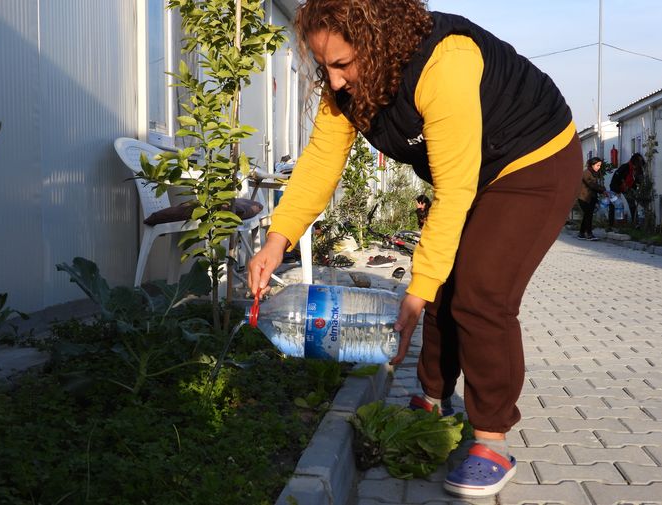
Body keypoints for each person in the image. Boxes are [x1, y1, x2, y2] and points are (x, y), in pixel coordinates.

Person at [247, 0, 582, 497]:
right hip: (473, 172)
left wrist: (416, 288)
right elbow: (319, 165)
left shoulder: (445, 60)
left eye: (343, 64)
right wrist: (277, 239)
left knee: (482, 292)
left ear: (379, 40)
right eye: (324, 66)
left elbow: (452, 191)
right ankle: (431, 397)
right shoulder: (345, 92)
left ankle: (491, 439)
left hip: (533, 161)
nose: (335, 81)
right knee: (443, 285)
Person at [608, 152, 645, 228]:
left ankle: (636, 224)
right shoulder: (624, 167)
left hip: (628, 188)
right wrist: (617, 191)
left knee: (632, 204)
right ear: (634, 162)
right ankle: (610, 225)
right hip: (616, 187)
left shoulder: (639, 169)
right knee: (613, 205)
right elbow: (615, 179)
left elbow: (639, 181)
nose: (637, 167)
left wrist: (638, 188)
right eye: (638, 163)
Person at [577, 157, 606, 240]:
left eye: (600, 165)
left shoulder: (595, 173)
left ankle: (581, 233)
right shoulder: (586, 173)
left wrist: (602, 191)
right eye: (597, 165)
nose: (599, 167)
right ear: (592, 165)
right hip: (584, 197)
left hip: (591, 197)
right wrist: (602, 190)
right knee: (588, 215)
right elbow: (592, 184)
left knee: (587, 215)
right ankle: (589, 234)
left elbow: (595, 186)